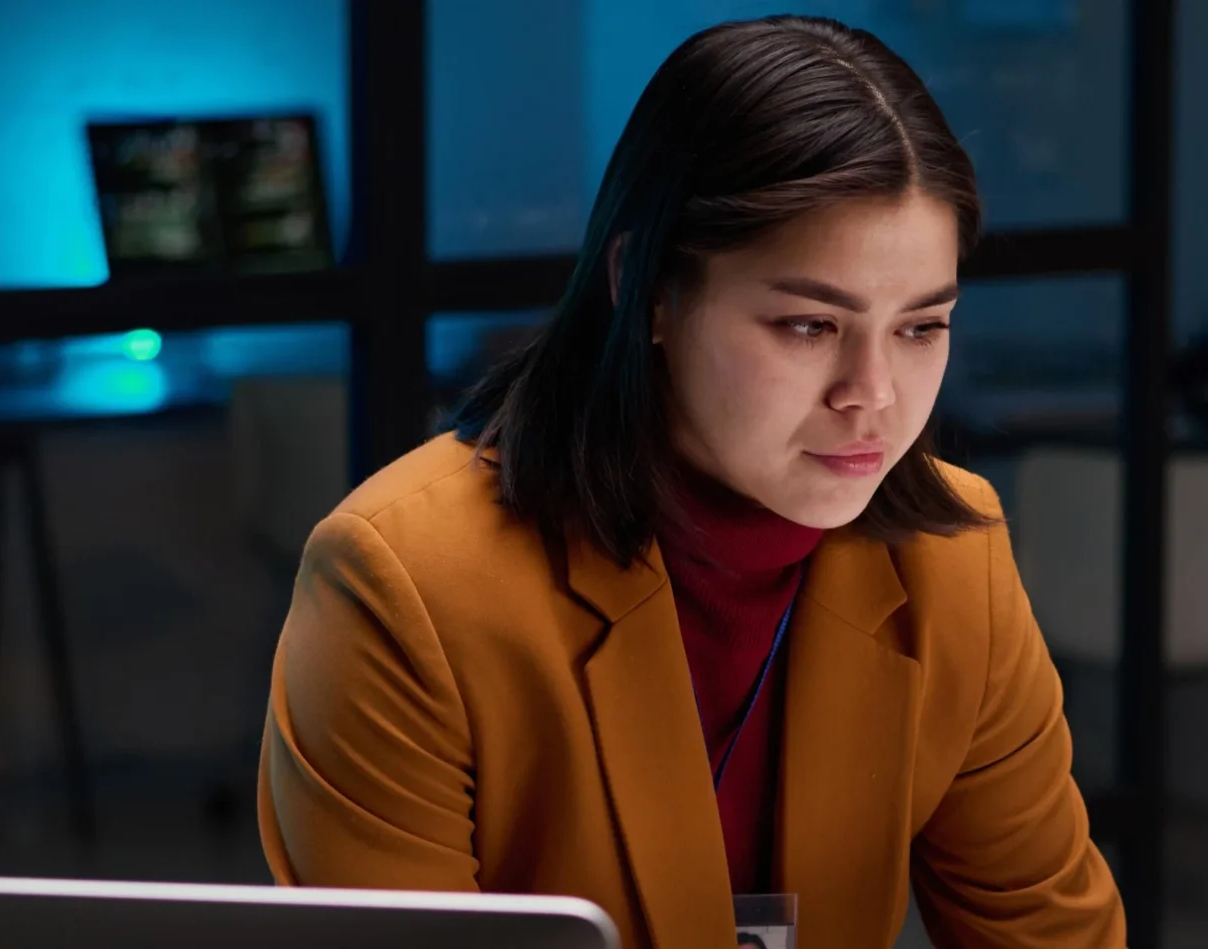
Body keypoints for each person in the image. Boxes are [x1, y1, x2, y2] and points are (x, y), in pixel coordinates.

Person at [255, 16, 1122, 949]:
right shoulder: (404, 585)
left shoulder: (954, 560)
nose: (872, 395)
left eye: (921, 327)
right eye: (807, 325)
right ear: (651, 291)